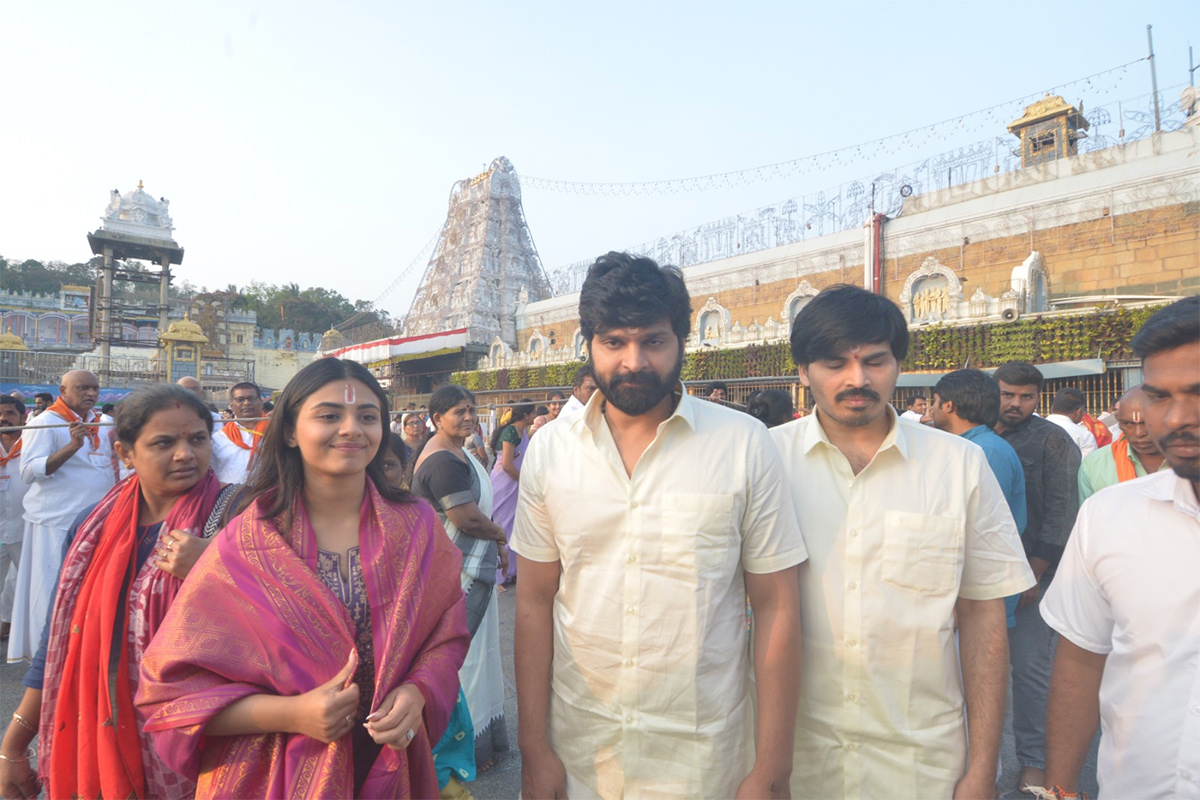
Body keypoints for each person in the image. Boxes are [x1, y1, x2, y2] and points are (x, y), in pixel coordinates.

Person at [512, 252, 805, 798]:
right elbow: (532, 601)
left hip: (704, 756)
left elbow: (776, 605)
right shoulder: (551, 450)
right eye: (614, 342)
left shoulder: (742, 444)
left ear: (681, 342)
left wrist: (770, 769)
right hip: (583, 750)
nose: (633, 361)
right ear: (589, 344)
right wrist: (535, 749)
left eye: (652, 341)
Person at [136, 358, 470, 799]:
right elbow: (172, 693)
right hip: (277, 772)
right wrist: (293, 714)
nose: (351, 428)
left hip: (390, 762)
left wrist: (418, 690)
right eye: (330, 415)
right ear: (291, 431)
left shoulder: (417, 527)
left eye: (367, 416)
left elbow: (446, 637)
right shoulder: (248, 543)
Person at [772, 286, 1032, 798]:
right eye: (833, 364)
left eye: (875, 361)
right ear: (802, 372)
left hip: (921, 762)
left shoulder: (958, 466)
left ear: (898, 364)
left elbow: (984, 618)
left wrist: (983, 768)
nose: (857, 379)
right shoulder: (764, 462)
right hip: (794, 760)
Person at [0, 384, 238, 800]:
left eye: (197, 439)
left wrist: (216, 567)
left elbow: (281, 629)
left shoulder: (241, 518)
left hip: (208, 742)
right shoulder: (91, 527)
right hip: (98, 729)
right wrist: (13, 745)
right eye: (164, 442)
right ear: (125, 453)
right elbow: (58, 641)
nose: (185, 454)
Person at [1040, 296, 1200, 799]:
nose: (1175, 418)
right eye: (1158, 396)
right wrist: (1060, 789)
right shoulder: (1109, 517)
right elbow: (1081, 662)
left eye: (1197, 393)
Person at [411, 385, 511, 784]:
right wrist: (501, 537)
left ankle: (479, 742)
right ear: (437, 418)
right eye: (458, 411)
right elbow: (466, 518)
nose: (468, 417)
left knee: (478, 653)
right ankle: (455, 750)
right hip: (453, 573)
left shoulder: (459, 451)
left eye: (471, 409)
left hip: (466, 568)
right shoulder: (442, 461)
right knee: (459, 660)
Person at [994, 360, 1082, 793]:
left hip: (1032, 578)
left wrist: (1034, 572)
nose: (1015, 403)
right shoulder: (975, 434)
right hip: (978, 575)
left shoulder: (1053, 440)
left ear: (1038, 398)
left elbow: (1064, 511)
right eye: (1008, 394)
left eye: (1025, 396)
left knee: (1029, 670)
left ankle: (1033, 762)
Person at [9, 370, 116, 664]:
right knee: (51, 590)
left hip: (96, 520)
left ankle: (80, 651)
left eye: (95, 388)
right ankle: (47, 656)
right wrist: (71, 447)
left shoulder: (103, 422)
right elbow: (28, 472)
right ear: (63, 390)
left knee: (88, 589)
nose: (91, 394)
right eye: (83, 388)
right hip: (55, 521)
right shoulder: (46, 422)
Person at [931, 368, 1029, 627]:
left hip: (980, 597)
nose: (932, 409)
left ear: (949, 405)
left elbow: (982, 530)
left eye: (935, 402)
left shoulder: (985, 452)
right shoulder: (968, 447)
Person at [1077, 385, 1170, 502]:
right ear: (1119, 424)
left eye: (1148, 423)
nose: (1139, 433)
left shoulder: (1192, 461)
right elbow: (1088, 517)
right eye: (1128, 424)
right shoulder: (1095, 465)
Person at [490, 399, 534, 587]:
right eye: (532, 413)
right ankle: (497, 576)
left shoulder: (523, 432)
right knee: (503, 527)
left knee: (515, 527)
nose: (535, 416)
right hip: (505, 484)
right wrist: (525, 481)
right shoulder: (510, 432)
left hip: (516, 485)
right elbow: (507, 465)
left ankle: (511, 572)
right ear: (526, 415)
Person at [0, 395, 30, 643]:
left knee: (28, 585)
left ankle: (27, 640)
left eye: (10, 413)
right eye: (0, 414)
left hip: (26, 530)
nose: (3, 418)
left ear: (23, 417)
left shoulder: (33, 447)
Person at [208, 381, 269, 484]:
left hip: (270, 496)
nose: (246, 403)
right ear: (231, 405)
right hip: (228, 497)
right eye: (240, 399)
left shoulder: (276, 431)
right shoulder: (218, 439)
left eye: (251, 398)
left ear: (261, 402)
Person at [1046, 388, 1099, 457]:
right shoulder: (1084, 436)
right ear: (1079, 412)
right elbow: (1089, 464)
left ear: (1052, 408)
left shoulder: (1035, 428)